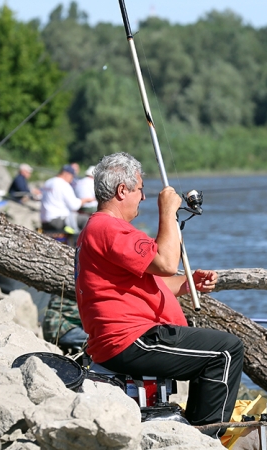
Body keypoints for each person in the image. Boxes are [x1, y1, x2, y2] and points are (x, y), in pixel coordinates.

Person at [74, 152, 243, 428]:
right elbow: (165, 262)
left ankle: (195, 430)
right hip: (129, 339)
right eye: (140, 189)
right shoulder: (109, 228)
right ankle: (207, 438)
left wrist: (189, 284)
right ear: (122, 190)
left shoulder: (100, 229)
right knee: (226, 351)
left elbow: (152, 281)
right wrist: (167, 211)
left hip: (124, 338)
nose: (142, 197)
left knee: (217, 351)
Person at [40, 164, 94, 234]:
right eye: (72, 177)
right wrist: (86, 200)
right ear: (67, 174)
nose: (71, 180)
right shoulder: (63, 184)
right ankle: (80, 243)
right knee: (86, 220)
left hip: (44, 221)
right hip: (57, 221)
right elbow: (74, 206)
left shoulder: (48, 182)